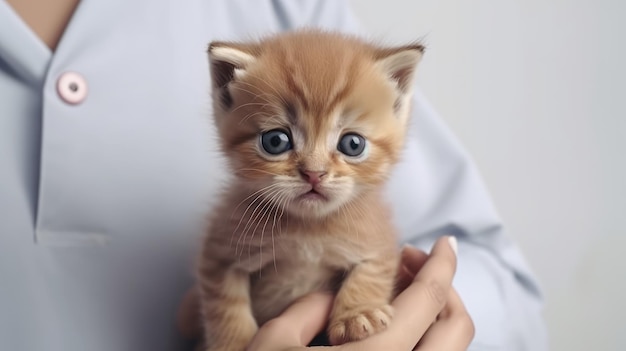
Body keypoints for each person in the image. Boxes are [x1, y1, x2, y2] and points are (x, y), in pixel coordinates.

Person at [0, 0, 547, 350]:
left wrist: (397, 318)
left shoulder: (309, 19)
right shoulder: (244, 219)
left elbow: (501, 288)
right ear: (225, 96)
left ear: (400, 100)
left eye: (349, 145)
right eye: (277, 141)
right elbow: (220, 267)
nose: (314, 169)